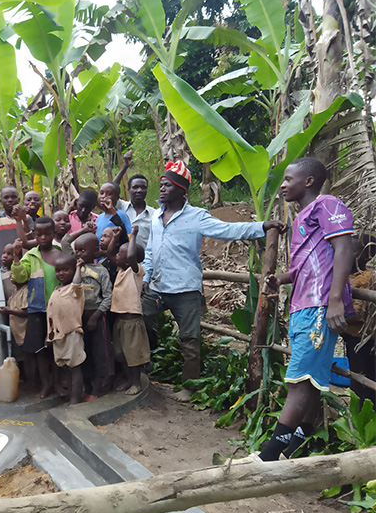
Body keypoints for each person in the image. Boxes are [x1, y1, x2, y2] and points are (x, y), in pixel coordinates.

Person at [142, 160, 284, 402]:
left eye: (167, 185)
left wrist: (262, 226)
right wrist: (146, 275)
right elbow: (150, 251)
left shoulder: (197, 217)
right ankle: (141, 371)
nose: (162, 189)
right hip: (156, 286)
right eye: (162, 185)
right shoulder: (156, 216)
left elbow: (228, 230)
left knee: (190, 339)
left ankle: (189, 387)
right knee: (136, 320)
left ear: (181, 190)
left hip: (184, 288)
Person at [253, 157, 353, 461]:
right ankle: (296, 443)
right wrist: (280, 278)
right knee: (309, 379)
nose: (282, 185)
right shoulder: (303, 217)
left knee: (299, 380)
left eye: (288, 179)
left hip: (319, 304)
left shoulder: (327, 204)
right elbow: (303, 266)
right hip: (303, 304)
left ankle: (269, 454)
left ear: (308, 181)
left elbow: (344, 247)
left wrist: (335, 298)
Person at [12, 216, 61, 398]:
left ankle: (57, 383)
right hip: (37, 309)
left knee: (57, 348)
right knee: (40, 351)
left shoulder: (60, 253)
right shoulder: (31, 255)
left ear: (53, 234)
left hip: (56, 310)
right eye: (39, 234)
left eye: (47, 234)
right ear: (34, 235)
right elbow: (20, 277)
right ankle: (46, 384)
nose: (43, 237)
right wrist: (16, 257)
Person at [64, 229, 114, 399]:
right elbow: (65, 241)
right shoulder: (74, 268)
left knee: (101, 351)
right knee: (84, 352)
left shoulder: (101, 271)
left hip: (97, 317)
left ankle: (102, 385)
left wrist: (96, 315)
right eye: (77, 250)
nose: (78, 253)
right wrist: (84, 230)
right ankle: (87, 385)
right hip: (79, 318)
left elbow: (108, 296)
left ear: (95, 251)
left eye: (82, 250)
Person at [111, 226, 149, 395]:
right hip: (121, 320)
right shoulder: (121, 270)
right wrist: (115, 237)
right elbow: (110, 253)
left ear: (128, 260)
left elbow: (132, 255)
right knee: (122, 354)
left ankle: (136, 383)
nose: (116, 256)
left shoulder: (136, 272)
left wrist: (133, 235)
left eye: (121, 253)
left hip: (132, 321)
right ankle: (128, 380)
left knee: (134, 355)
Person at [46, 255, 86, 404]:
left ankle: (75, 399)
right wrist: (48, 336)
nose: (61, 273)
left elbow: (77, 283)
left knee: (75, 367)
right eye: (58, 270)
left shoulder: (74, 290)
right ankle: (71, 396)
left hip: (71, 332)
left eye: (65, 270)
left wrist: (78, 268)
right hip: (58, 335)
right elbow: (51, 314)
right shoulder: (57, 289)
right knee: (66, 368)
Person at [112, 151, 156, 250]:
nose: (139, 190)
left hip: (144, 262)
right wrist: (125, 167)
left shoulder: (154, 214)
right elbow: (111, 190)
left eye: (143, 187)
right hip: (122, 261)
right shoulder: (121, 207)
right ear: (128, 190)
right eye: (135, 187)